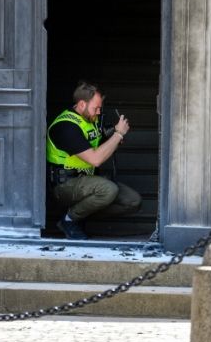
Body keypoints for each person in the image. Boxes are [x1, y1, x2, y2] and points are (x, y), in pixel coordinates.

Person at [46, 81, 142, 239]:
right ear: (82, 104)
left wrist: (112, 139)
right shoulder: (66, 126)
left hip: (88, 181)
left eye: (99, 108)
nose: (98, 112)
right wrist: (118, 135)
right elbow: (95, 159)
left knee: (133, 201)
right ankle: (69, 220)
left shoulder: (90, 119)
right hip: (65, 185)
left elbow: (98, 142)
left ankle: (80, 214)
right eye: (95, 108)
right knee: (108, 190)